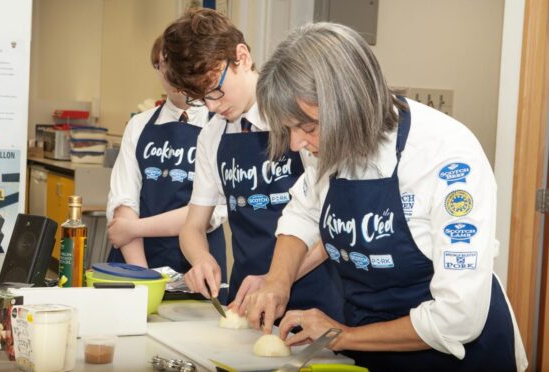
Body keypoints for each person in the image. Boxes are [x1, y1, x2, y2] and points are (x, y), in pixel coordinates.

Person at [245, 22, 527, 372]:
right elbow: (304, 210)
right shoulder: (322, 139)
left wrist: (342, 335)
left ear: (349, 107)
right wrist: (277, 281)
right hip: (367, 345)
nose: (295, 144)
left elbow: (458, 318)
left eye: (308, 129)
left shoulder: (446, 157)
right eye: (288, 130)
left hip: (457, 357)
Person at [162, 8, 343, 320]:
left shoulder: (301, 119)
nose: (213, 106)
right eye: (201, 99)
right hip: (246, 297)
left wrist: (278, 280)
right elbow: (192, 227)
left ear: (241, 57)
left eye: (216, 91)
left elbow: (332, 227)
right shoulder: (213, 136)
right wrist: (201, 258)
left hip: (315, 294)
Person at [106, 35, 227, 286]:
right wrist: (143, 281)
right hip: (136, 260)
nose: (172, 75)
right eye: (163, 64)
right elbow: (124, 206)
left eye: (180, 65)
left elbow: (207, 212)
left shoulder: (221, 125)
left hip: (199, 266)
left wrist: (134, 228)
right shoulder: (138, 126)